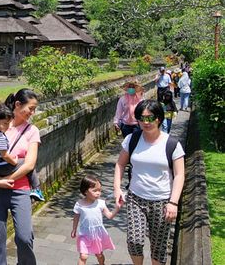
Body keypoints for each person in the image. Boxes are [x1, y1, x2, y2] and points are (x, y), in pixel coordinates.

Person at [113, 100, 185, 265]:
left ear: (159, 118)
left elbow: (180, 175)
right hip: (136, 198)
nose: (146, 122)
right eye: (141, 118)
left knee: (158, 246)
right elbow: (120, 164)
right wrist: (117, 188)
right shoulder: (132, 139)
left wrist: (173, 202)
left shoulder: (172, 144)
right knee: (134, 241)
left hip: (162, 201)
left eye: (150, 118)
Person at [0, 88, 41, 265]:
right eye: (30, 108)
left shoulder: (32, 130)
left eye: (34, 109)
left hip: (20, 190)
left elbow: (30, 164)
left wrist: (6, 180)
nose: (32, 112)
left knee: (25, 237)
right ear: (17, 105)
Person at [0, 103, 45, 201]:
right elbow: (5, 155)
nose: (8, 127)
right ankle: (36, 188)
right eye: (6, 124)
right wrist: (14, 161)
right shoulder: (0, 138)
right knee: (27, 164)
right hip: (3, 167)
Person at [71, 174, 123, 265]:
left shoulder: (101, 203)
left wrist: (117, 208)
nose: (98, 193)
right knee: (83, 256)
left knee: (99, 254)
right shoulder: (79, 204)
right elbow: (76, 217)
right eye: (95, 190)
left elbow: (110, 216)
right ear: (85, 191)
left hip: (97, 234)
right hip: (84, 234)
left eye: (99, 190)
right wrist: (74, 229)